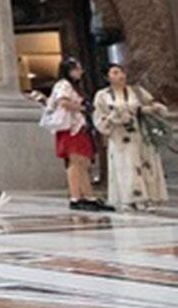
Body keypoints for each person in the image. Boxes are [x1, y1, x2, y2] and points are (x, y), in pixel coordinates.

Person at [94, 62, 169, 210]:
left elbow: (151, 104)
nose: (120, 76)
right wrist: (114, 117)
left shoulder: (137, 91)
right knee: (126, 166)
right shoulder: (102, 96)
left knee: (145, 165)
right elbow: (100, 118)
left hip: (141, 134)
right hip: (120, 137)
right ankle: (128, 199)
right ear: (107, 77)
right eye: (115, 73)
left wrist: (153, 109)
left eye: (121, 72)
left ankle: (148, 198)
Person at [44, 59, 110, 211]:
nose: (81, 72)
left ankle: (88, 195)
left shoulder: (75, 86)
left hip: (79, 126)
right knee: (75, 161)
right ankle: (75, 196)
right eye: (77, 69)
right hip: (70, 127)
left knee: (84, 162)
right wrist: (82, 108)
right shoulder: (64, 84)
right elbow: (63, 102)